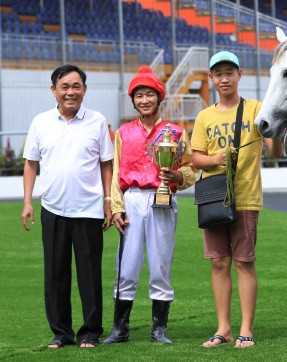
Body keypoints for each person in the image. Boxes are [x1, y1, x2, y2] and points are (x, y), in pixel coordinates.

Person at [191, 51, 282, 348]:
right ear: (211, 78)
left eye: (229, 72)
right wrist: (216, 157)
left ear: (240, 74)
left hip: (244, 197)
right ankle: (223, 329)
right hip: (214, 197)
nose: (224, 78)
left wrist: (279, 131)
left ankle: (246, 329)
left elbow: (275, 151)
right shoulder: (205, 115)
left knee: (243, 262)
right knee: (219, 262)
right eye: (218, 74)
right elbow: (195, 159)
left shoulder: (256, 108)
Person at [21, 64, 114, 349]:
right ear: (54, 90)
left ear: (85, 90)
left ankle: (90, 332)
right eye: (65, 86)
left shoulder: (97, 121)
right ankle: (61, 333)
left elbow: (106, 163)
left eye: (76, 86)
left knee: (89, 274)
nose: (70, 92)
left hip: (88, 210)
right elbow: (31, 163)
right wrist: (27, 202)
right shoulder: (40, 122)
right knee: (55, 274)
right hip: (52, 209)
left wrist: (108, 200)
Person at [102, 66, 196, 345]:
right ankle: (120, 329)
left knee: (160, 263)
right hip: (131, 199)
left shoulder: (176, 133)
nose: (144, 100)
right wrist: (116, 207)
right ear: (133, 100)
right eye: (139, 95)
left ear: (159, 98)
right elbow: (116, 172)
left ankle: (159, 329)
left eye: (149, 95)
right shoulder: (122, 132)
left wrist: (178, 176)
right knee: (126, 265)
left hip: (163, 200)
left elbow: (191, 170)